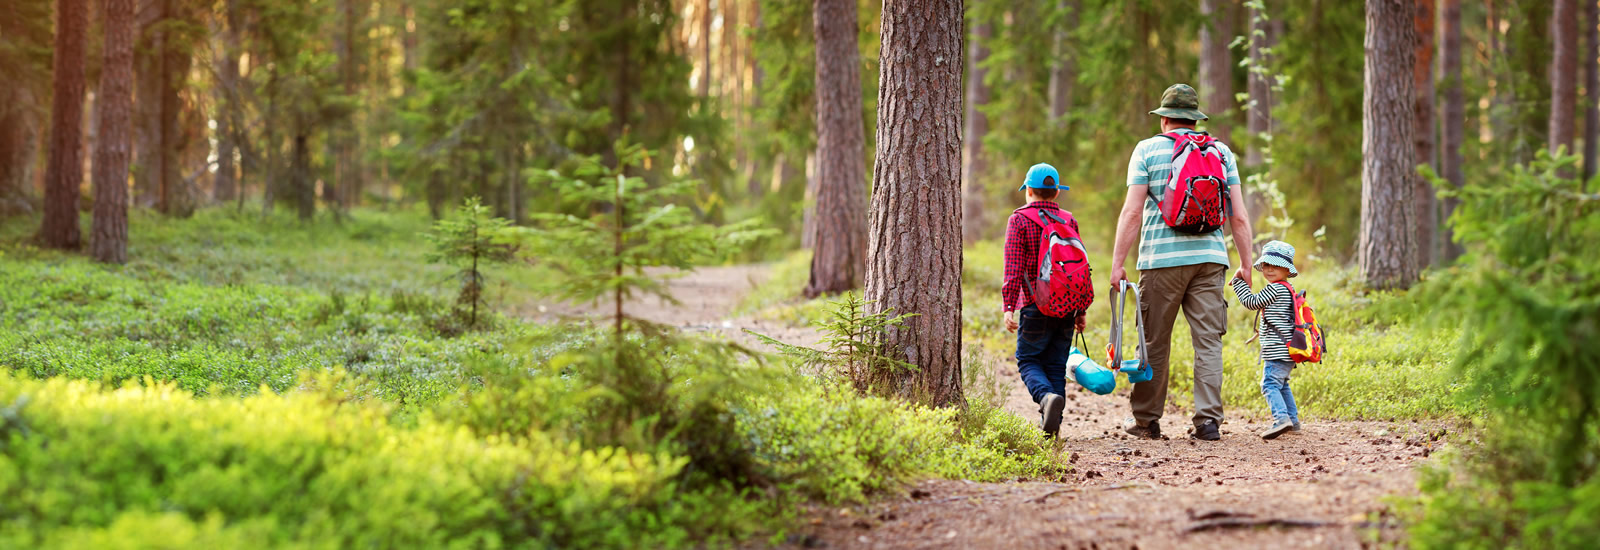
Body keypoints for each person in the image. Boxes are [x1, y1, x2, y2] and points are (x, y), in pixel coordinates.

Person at [1108, 83, 1254, 441]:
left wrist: (1117, 263)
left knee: (1154, 341)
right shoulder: (1221, 152)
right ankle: (1207, 422)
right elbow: (1238, 217)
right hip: (1210, 260)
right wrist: (1246, 265)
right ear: (1194, 119)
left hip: (1161, 261)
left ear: (1165, 121)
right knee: (1208, 342)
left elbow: (1132, 212)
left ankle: (1146, 420)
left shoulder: (1146, 150)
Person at [1002, 163, 1088, 438]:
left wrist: (1008, 307)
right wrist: (1080, 309)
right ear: (1056, 193)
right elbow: (1080, 268)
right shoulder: (1068, 219)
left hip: (1034, 304)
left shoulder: (1019, 219)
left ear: (1028, 190)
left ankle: (1044, 398)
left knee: (1027, 360)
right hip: (1067, 305)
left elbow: (1013, 267)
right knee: (1054, 364)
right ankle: (1052, 428)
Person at [1231, 240, 1303, 440]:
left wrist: (1238, 282)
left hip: (1276, 349)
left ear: (1287, 270)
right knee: (1282, 384)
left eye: (1276, 266)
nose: (1270, 270)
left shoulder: (1275, 289)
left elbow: (1251, 302)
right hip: (1288, 349)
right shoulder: (1288, 288)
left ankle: (1281, 419)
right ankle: (1293, 421)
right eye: (1266, 265)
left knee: (1269, 384)